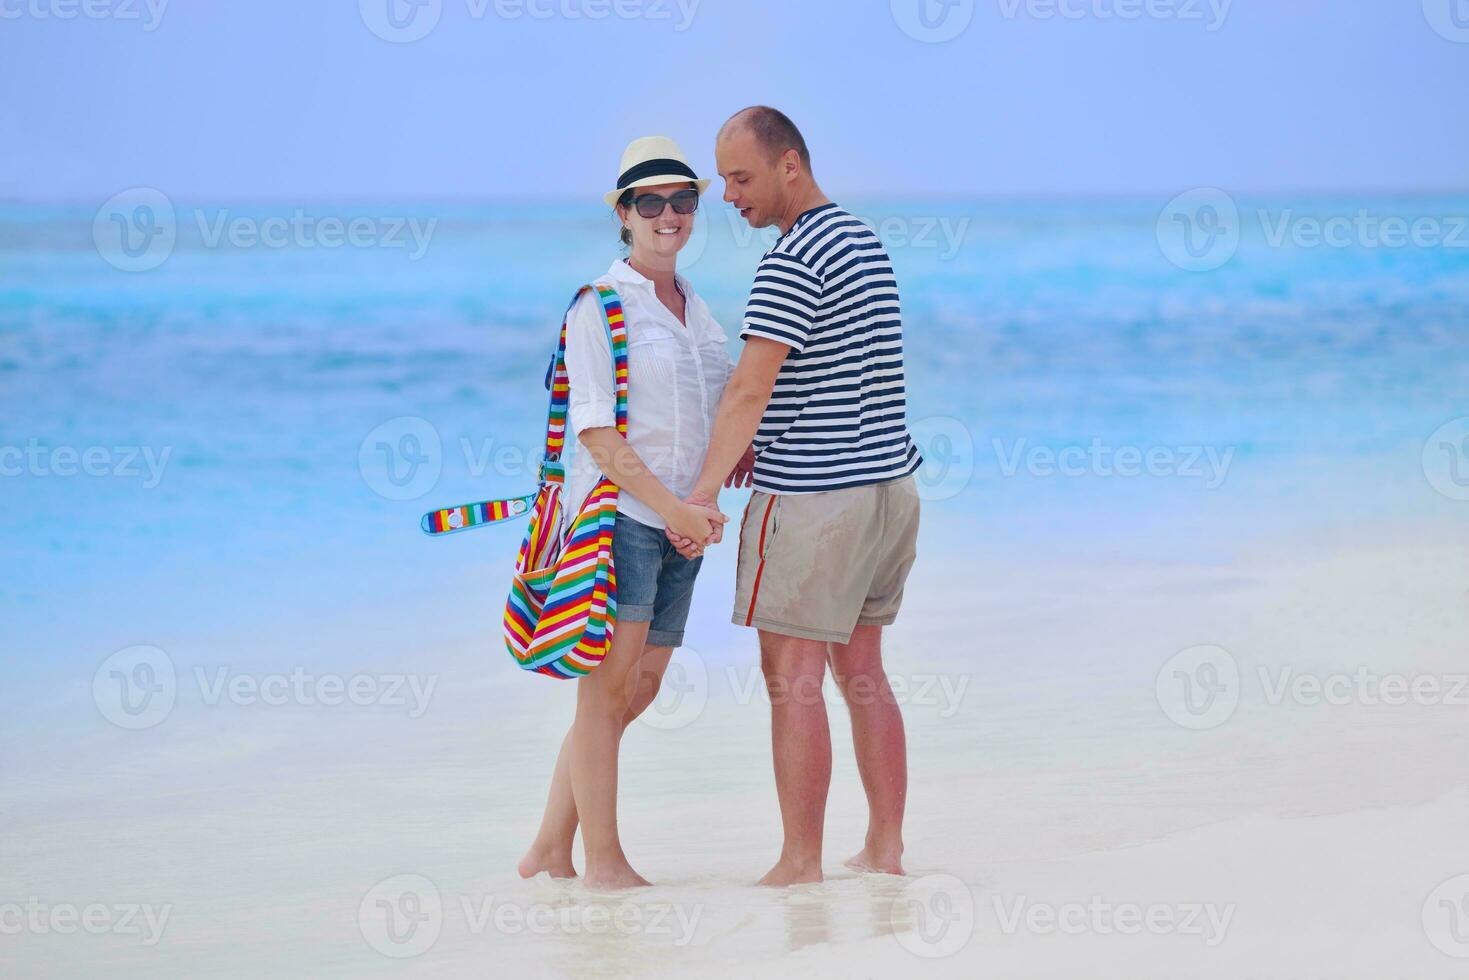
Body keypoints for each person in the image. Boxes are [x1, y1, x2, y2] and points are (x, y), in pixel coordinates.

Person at [669, 106, 924, 886]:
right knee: (863, 672)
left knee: (792, 679)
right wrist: (762, 430)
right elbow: (842, 366)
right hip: (890, 490)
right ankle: (884, 848)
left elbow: (750, 382)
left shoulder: (791, 261)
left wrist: (702, 491)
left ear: (790, 166)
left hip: (816, 500)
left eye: (740, 178)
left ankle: (799, 862)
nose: (727, 195)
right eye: (721, 180)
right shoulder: (861, 241)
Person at [518, 136, 746, 889]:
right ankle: (603, 862)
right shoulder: (599, 304)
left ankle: (550, 847)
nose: (668, 214)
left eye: (682, 200)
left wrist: (704, 501)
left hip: (683, 525)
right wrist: (673, 508)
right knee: (608, 688)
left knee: (638, 688)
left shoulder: (696, 309)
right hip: (622, 520)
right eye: (650, 202)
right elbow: (597, 435)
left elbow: (726, 407)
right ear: (623, 213)